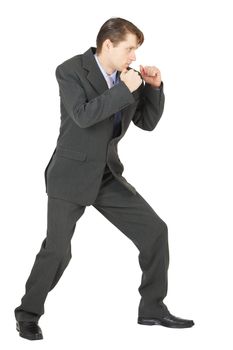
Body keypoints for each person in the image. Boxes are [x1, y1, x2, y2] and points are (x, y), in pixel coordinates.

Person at [14, 17, 194, 340]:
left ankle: (152, 307)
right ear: (108, 45)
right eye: (130, 49)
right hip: (70, 175)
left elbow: (146, 122)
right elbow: (83, 116)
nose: (134, 58)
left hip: (106, 174)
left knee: (155, 232)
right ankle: (27, 314)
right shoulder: (69, 71)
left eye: (136, 51)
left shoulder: (130, 78)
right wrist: (125, 89)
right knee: (58, 251)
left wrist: (153, 89)